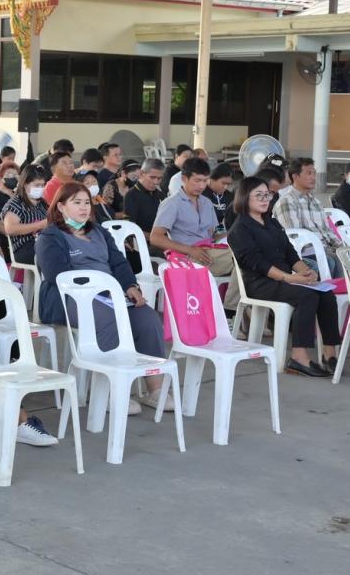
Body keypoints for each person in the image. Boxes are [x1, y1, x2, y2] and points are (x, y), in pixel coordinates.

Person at [37, 181, 167, 420]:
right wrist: (97, 289)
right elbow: (57, 275)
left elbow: (118, 263)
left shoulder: (99, 232)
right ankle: (109, 391)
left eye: (87, 202)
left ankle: (155, 389)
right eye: (77, 202)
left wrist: (130, 286)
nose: (84, 208)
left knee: (147, 318)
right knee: (108, 319)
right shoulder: (50, 236)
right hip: (72, 297)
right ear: (61, 207)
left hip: (110, 295)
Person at [227, 175, 341, 377]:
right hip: (260, 283)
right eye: (259, 195)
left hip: (283, 279)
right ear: (244, 197)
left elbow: (290, 253)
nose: (265, 199)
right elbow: (258, 264)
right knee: (307, 296)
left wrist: (305, 271)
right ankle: (299, 357)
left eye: (267, 195)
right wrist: (290, 278)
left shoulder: (271, 222)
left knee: (326, 294)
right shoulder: (240, 228)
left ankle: (329, 351)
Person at [149, 158, 239, 309]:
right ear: (184, 179)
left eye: (204, 181)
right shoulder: (172, 203)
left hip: (208, 253)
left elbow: (213, 235)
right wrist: (190, 250)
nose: (201, 185)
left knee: (248, 257)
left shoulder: (207, 203)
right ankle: (231, 310)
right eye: (197, 181)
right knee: (244, 257)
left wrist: (230, 234)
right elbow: (155, 237)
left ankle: (233, 309)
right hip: (186, 256)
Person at [0, 164, 51, 265]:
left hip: (44, 242)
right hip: (24, 248)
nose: (40, 188)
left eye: (43, 185)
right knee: (53, 252)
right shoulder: (15, 204)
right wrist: (40, 225)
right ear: (25, 184)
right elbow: (10, 229)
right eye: (37, 185)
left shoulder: (42, 204)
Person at [122, 158, 169, 237]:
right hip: (144, 241)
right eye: (152, 177)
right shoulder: (131, 195)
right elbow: (130, 227)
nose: (156, 182)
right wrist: (156, 238)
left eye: (159, 178)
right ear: (141, 173)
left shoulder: (160, 194)